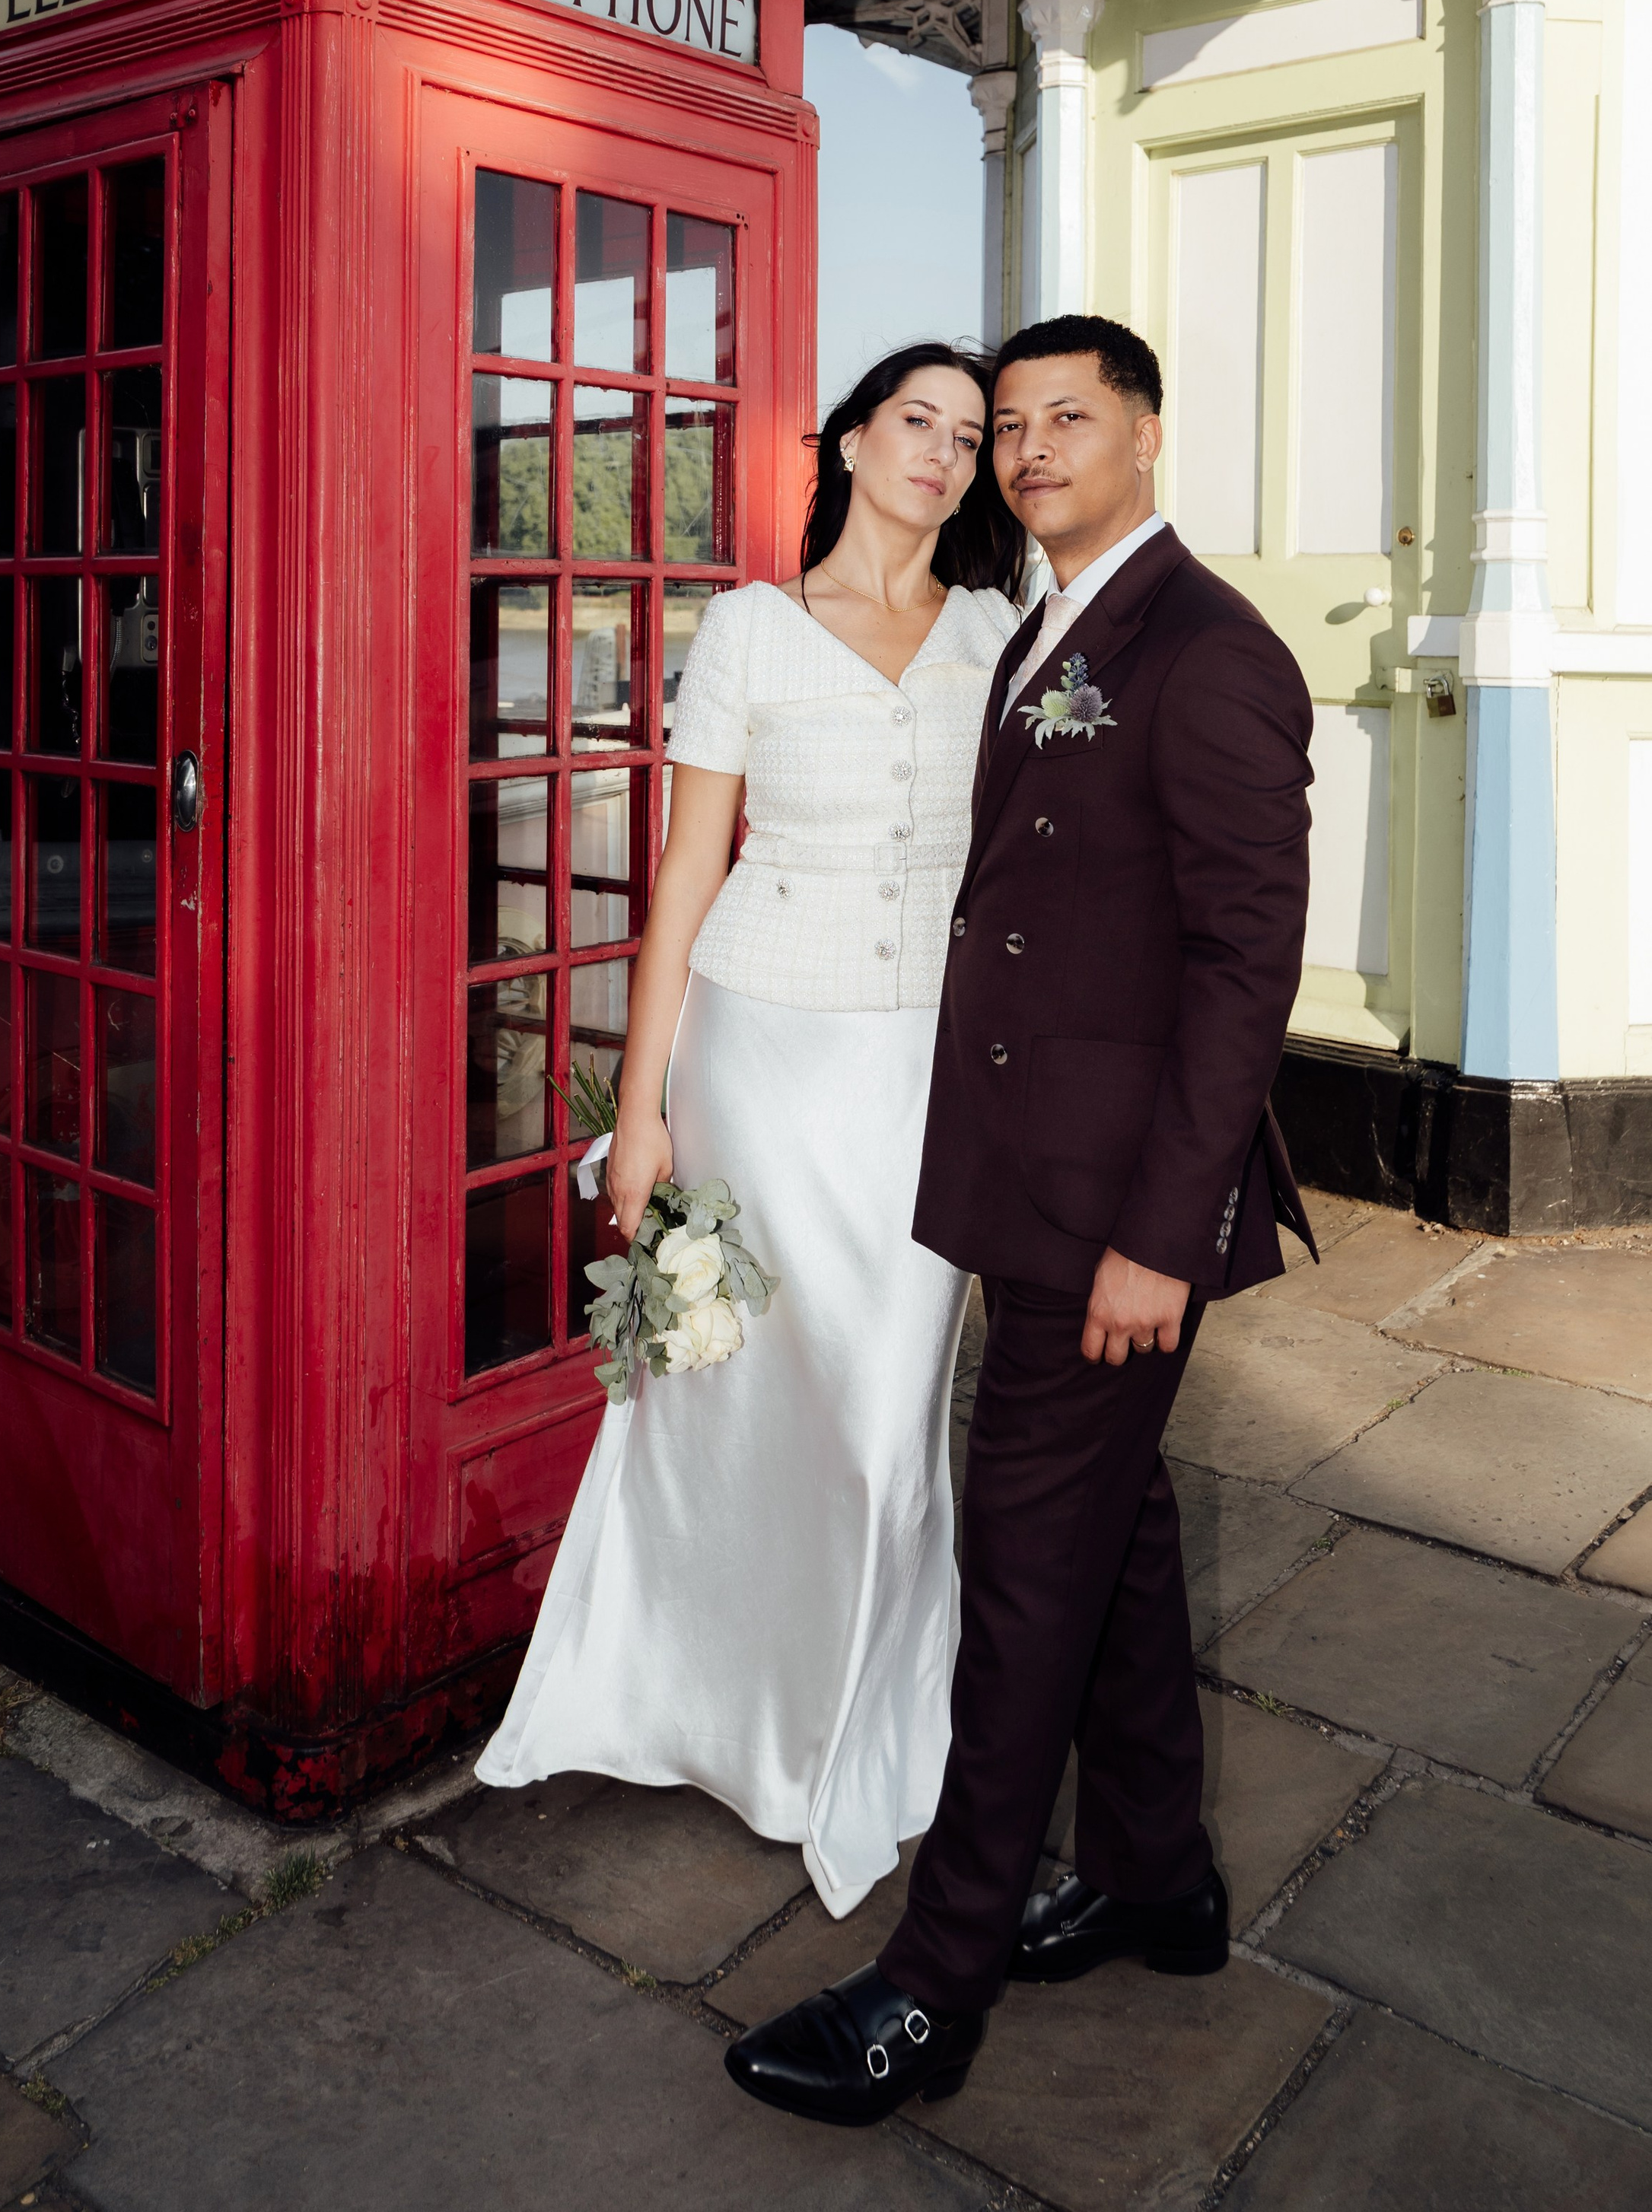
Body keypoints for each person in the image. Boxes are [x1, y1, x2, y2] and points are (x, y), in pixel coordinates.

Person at [725, 313, 1314, 2127]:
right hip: (1029, 1179)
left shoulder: (1205, 652)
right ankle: (1155, 1882)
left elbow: (1240, 970)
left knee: (1025, 1577)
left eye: (1074, 416)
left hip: (1106, 1213)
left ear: (1147, 434)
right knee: (1115, 1531)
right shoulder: (1049, 623)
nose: (1033, 447)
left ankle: (933, 1981)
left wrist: (1158, 1232)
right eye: (1014, 425)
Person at [476, 344, 1027, 1916]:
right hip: (762, 1063)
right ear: (847, 440)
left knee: (879, 1420)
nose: (936, 453)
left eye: (964, 437)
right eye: (910, 422)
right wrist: (639, 1109)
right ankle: (704, 1712)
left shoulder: (996, 632)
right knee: (734, 1413)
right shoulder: (750, 630)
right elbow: (681, 876)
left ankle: (856, 1733)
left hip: (929, 1069)